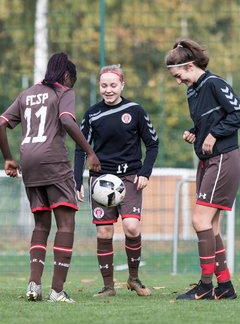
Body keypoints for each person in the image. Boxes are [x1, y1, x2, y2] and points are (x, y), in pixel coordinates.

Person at [0, 52, 101, 303]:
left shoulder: (27, 94)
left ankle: (34, 285)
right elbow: (66, 120)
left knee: (41, 225)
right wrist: (90, 152)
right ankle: (57, 291)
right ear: (67, 76)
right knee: (66, 224)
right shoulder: (63, 92)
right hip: (54, 161)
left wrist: (8, 158)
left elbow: (1, 123)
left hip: (29, 162)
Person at [165, 39, 240, 300]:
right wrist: (195, 133)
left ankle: (205, 286)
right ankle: (226, 286)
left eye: (179, 75)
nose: (178, 81)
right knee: (211, 226)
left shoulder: (214, 83)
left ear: (190, 65)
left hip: (224, 159)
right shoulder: (192, 92)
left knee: (199, 220)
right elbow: (209, 120)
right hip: (208, 161)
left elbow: (237, 113)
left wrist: (214, 135)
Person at [74, 64, 158, 297]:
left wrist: (145, 173)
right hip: (100, 181)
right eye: (104, 85)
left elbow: (152, 144)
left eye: (113, 85)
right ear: (99, 87)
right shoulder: (92, 114)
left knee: (131, 227)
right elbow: (81, 150)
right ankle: (108, 286)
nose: (108, 90)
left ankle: (133, 278)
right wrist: (77, 180)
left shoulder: (136, 110)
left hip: (130, 178)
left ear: (122, 85)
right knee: (104, 234)